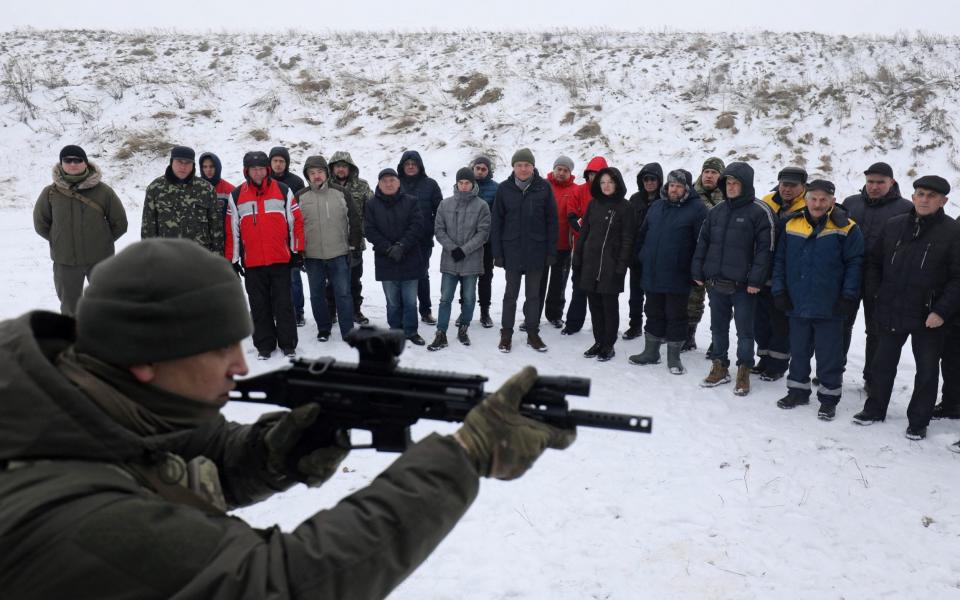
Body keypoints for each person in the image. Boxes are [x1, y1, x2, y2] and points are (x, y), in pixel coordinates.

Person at [0, 238, 575, 599]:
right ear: (147, 359)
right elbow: (282, 581)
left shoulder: (71, 393)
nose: (242, 364)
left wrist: (271, 455)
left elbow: (181, 452)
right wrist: (466, 455)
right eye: (221, 347)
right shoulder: (72, 512)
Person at [853, 176, 960, 440]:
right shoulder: (894, 225)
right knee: (882, 364)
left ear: (944, 201)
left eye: (931, 196)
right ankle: (875, 409)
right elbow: (874, 264)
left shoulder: (952, 232)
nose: (925, 199)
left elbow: (958, 278)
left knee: (926, 370)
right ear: (913, 197)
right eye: (920, 194)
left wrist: (941, 312)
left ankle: (918, 421)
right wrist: (876, 295)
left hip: (929, 316)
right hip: (893, 308)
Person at [771, 180, 864, 421]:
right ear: (806, 198)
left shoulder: (847, 228)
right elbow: (779, 261)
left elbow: (855, 265)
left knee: (829, 356)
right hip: (797, 302)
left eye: (824, 199)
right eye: (813, 198)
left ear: (833, 201)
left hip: (830, 306)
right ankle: (797, 392)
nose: (818, 204)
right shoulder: (792, 224)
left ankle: (828, 399)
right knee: (799, 351)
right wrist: (779, 291)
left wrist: (848, 297)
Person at [691, 162, 773, 396]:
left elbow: (765, 250)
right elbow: (703, 243)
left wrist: (756, 280)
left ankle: (744, 370)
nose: (731, 187)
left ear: (745, 184)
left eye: (736, 183)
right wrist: (698, 270)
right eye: (728, 183)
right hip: (716, 282)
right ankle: (719, 366)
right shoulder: (716, 211)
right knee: (718, 328)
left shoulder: (760, 211)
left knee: (745, 332)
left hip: (744, 286)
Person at [840, 161, 912, 394]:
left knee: (876, 331)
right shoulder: (851, 203)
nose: (874, 186)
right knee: (841, 325)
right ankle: (833, 370)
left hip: (882, 280)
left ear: (892, 182)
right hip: (849, 275)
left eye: (880, 182)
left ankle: (871, 377)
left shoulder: (905, 208)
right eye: (870, 181)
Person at [226, 151, 304, 360]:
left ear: (267, 169)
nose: (258, 173)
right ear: (247, 171)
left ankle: (288, 344)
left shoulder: (283, 190)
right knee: (259, 306)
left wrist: (296, 251)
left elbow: (295, 222)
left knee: (284, 305)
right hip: (253, 263)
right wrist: (233, 260)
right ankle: (264, 346)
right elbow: (232, 230)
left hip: (280, 259)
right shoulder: (236, 195)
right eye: (254, 169)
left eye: (261, 168)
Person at [33, 144, 128, 315]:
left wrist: (102, 242)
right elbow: (41, 224)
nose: (73, 164)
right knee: (70, 308)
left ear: (85, 163)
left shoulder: (103, 191)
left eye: (78, 160)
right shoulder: (50, 193)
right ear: (61, 164)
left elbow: (120, 223)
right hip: (65, 261)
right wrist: (60, 240)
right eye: (67, 160)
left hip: (100, 260)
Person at [629, 169, 707, 374]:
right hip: (652, 271)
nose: (674, 189)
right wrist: (640, 255)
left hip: (678, 273)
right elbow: (643, 233)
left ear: (687, 189)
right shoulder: (657, 205)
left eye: (679, 186)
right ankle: (651, 352)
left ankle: (674, 358)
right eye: (672, 185)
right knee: (652, 312)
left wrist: (696, 270)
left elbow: (702, 243)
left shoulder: (697, 209)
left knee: (676, 316)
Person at [491, 148, 558, 353]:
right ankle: (506, 333)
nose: (523, 169)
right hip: (512, 250)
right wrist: (498, 253)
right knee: (510, 295)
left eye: (527, 165)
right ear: (513, 167)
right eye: (519, 165)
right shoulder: (504, 189)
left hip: (536, 251)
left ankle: (532, 333)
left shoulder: (544, 188)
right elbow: (496, 223)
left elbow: (552, 222)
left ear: (533, 167)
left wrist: (550, 252)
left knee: (533, 296)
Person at [571, 167, 636, 362]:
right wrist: (577, 258)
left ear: (617, 183)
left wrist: (621, 267)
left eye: (610, 182)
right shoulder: (593, 204)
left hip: (611, 266)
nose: (606, 186)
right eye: (602, 182)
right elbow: (584, 234)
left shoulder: (625, 207)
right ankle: (598, 341)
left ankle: (609, 345)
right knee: (595, 306)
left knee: (609, 307)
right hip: (590, 264)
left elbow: (627, 240)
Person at [297, 155, 362, 342]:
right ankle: (323, 328)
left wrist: (354, 245)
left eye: (319, 172)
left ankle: (348, 330)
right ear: (307, 175)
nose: (316, 176)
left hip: (339, 253)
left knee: (343, 293)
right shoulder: (300, 196)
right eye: (312, 173)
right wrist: (299, 252)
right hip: (312, 256)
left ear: (326, 173)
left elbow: (354, 220)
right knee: (317, 295)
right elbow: (294, 226)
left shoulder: (341, 193)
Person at [754, 166, 808, 382]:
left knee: (780, 323)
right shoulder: (767, 200)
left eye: (792, 185)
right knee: (760, 320)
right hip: (763, 269)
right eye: (784, 184)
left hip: (787, 273)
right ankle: (764, 358)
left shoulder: (808, 205)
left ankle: (778, 364)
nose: (787, 189)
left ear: (802, 187)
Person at [428, 167, 491, 350]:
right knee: (445, 298)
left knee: (469, 298)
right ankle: (441, 333)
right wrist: (452, 248)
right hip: (450, 260)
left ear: (473, 184)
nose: (463, 186)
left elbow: (483, 233)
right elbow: (439, 229)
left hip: (471, 260)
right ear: (456, 183)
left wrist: (464, 250)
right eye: (461, 183)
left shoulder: (482, 206)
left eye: (467, 183)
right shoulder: (445, 204)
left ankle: (464, 328)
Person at [365, 168, 428, 345]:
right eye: (384, 181)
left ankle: (411, 331)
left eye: (392, 180)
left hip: (410, 257)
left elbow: (417, 225)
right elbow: (369, 230)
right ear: (379, 184)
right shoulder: (371, 204)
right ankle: (395, 330)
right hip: (386, 259)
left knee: (409, 300)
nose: (388, 183)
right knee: (392, 301)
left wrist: (401, 246)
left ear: (398, 182)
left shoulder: (411, 201)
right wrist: (387, 248)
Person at [142, 145, 223, 254]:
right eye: (180, 162)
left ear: (193, 165)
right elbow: (148, 230)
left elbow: (216, 228)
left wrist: (217, 259)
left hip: (200, 259)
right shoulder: (155, 188)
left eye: (187, 163)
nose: (183, 167)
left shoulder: (206, 189)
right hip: (166, 258)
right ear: (171, 162)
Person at [561, 155, 608, 335]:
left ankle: (603, 326)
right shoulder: (579, 191)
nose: (594, 178)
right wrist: (588, 228)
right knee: (578, 287)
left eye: (598, 174)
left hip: (603, 251)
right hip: (581, 247)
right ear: (587, 175)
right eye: (591, 174)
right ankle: (573, 324)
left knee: (601, 290)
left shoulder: (609, 193)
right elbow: (572, 215)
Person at [328, 150, 374, 325]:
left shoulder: (362, 186)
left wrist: (363, 231)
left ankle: (356, 310)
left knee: (355, 279)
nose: (341, 170)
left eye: (344, 166)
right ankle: (331, 311)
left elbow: (372, 209)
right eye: (338, 166)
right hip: (331, 242)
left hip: (355, 243)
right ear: (332, 168)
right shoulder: (325, 185)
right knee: (331, 280)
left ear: (350, 168)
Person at [684, 156, 726, 351]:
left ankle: (717, 342)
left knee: (719, 303)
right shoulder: (690, 193)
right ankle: (688, 335)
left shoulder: (729, 194)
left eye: (714, 172)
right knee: (692, 298)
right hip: (694, 254)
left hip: (720, 258)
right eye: (706, 171)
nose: (709, 176)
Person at [397, 150, 443, 325]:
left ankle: (425, 311)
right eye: (407, 164)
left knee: (422, 275)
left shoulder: (430, 184)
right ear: (402, 166)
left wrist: (429, 228)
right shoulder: (395, 183)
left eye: (414, 164)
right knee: (401, 275)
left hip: (423, 239)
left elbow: (440, 211)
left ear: (420, 166)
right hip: (400, 239)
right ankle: (403, 310)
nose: (410, 166)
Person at [623, 162, 663, 341]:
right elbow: (628, 227)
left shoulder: (664, 201)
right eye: (646, 179)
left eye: (653, 179)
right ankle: (635, 325)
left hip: (655, 257)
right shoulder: (635, 199)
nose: (649, 182)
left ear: (659, 180)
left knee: (655, 297)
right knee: (635, 295)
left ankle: (654, 328)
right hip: (636, 255)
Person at [269, 146, 308, 327]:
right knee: (272, 279)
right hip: (270, 239)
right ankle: (276, 310)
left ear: (287, 163)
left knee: (293, 278)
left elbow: (301, 212)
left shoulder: (296, 182)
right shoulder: (263, 181)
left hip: (290, 238)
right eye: (275, 161)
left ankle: (298, 312)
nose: (278, 164)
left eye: (281, 161)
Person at [540, 155, 578, 329]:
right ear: (553, 169)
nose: (561, 173)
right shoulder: (542, 186)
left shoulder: (575, 190)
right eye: (559, 169)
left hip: (564, 246)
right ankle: (531, 315)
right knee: (537, 284)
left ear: (570, 173)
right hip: (542, 245)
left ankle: (555, 315)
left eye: (565, 170)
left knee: (558, 284)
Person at [469, 155, 499, 328]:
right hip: (467, 242)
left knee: (486, 277)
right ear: (473, 168)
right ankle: (466, 311)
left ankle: (484, 312)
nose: (480, 171)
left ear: (488, 171)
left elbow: (497, 216)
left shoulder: (496, 189)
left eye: (484, 169)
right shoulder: (465, 184)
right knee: (466, 277)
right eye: (477, 168)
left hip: (487, 242)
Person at [198, 151, 235, 231]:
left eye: (212, 166)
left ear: (218, 167)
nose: (208, 170)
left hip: (222, 238)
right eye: (205, 167)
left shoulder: (230, 190)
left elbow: (234, 219)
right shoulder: (195, 188)